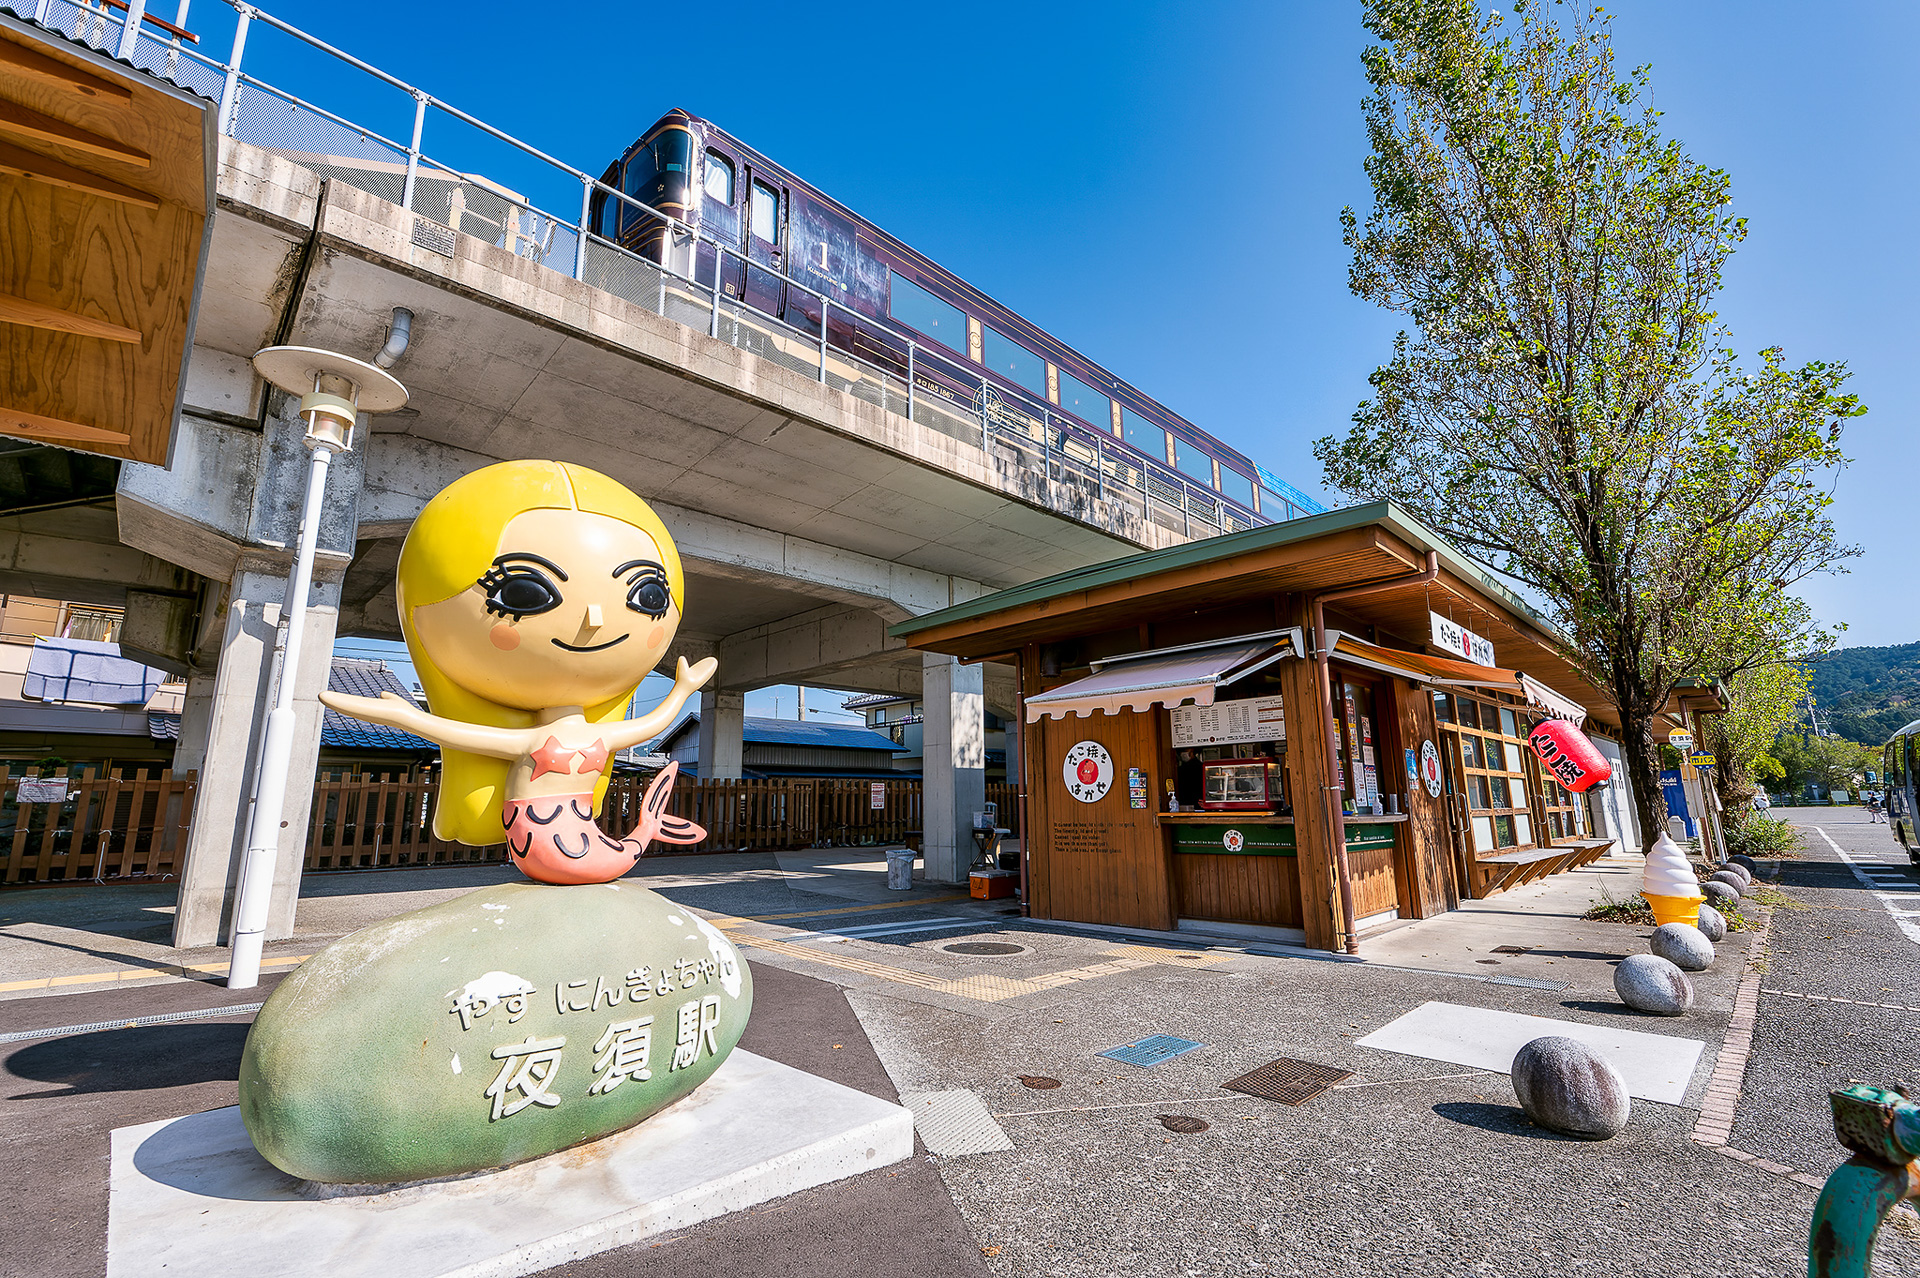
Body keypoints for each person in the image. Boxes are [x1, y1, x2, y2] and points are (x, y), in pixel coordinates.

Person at [322, 460, 716, 884]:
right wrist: (408, 718)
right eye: (523, 593)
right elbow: (461, 735)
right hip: (543, 842)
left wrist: (684, 688)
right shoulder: (550, 739)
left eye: (649, 595)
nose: (596, 619)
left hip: (571, 841)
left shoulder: (555, 739)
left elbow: (655, 723)